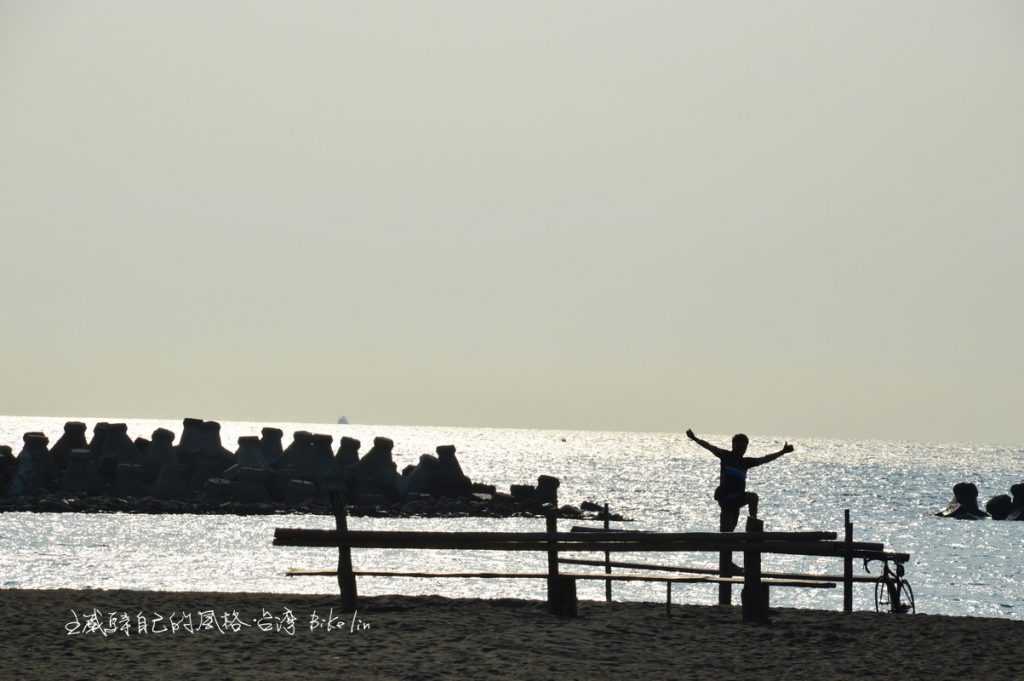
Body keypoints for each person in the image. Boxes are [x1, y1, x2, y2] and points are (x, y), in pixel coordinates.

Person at [686, 429, 794, 531]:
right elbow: (709, 447)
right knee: (727, 532)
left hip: (737, 500)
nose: (742, 449)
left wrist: (782, 452)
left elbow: (765, 459)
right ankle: (729, 542)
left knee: (750, 501)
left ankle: (753, 523)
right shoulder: (725, 456)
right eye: (739, 446)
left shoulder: (746, 462)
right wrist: (695, 438)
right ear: (733, 445)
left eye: (744, 447)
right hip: (726, 499)